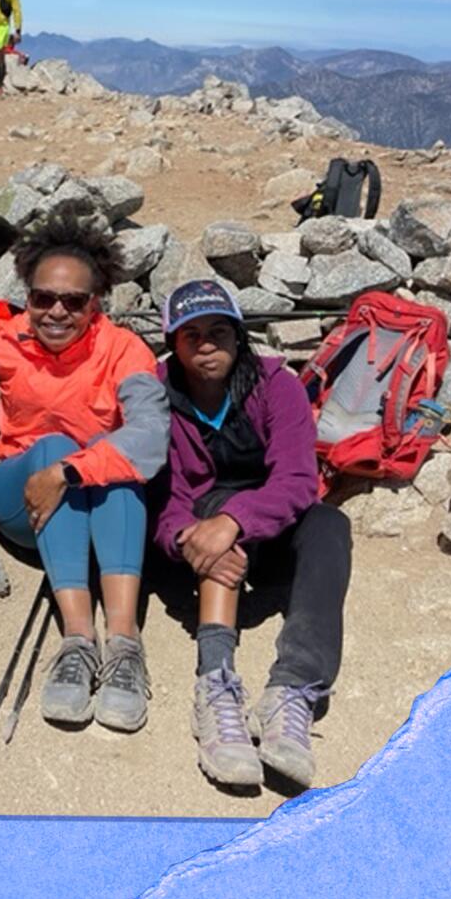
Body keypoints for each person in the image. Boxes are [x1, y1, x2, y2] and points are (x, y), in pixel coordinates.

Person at [0, 202, 169, 732]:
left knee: (113, 465)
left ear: (96, 303)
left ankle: (123, 644)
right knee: (56, 448)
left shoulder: (125, 350)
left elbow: (149, 436)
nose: (57, 312)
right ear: (26, 297)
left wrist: (68, 474)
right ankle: (78, 638)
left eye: (73, 302)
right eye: (42, 298)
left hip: (90, 502)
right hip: (21, 503)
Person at [152, 280, 352, 790]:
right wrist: (189, 539)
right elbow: (162, 498)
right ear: (173, 343)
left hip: (268, 528)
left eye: (219, 331)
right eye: (190, 334)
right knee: (214, 513)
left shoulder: (275, 386)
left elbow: (297, 480)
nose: (206, 344)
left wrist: (235, 520)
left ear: (239, 336)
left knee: (330, 523)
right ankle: (215, 683)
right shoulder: (159, 396)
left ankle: (293, 688)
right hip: (201, 539)